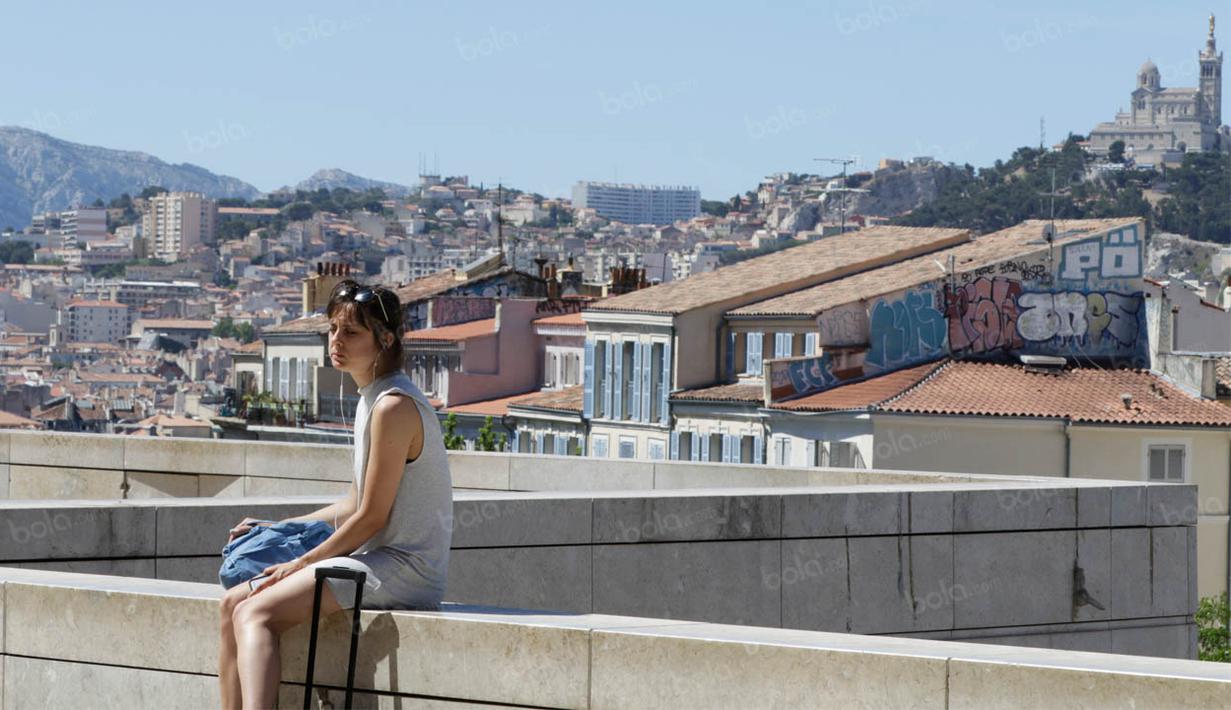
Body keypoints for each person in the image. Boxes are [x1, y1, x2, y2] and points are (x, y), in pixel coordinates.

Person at [218, 279, 453, 709]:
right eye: (333, 329)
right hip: (376, 558)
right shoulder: (372, 398)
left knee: (255, 613)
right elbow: (353, 502)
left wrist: (301, 562)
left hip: (405, 567)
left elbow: (371, 517)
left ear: (385, 339)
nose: (336, 341)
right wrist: (281, 526)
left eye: (351, 332)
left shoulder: (393, 406)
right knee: (233, 603)